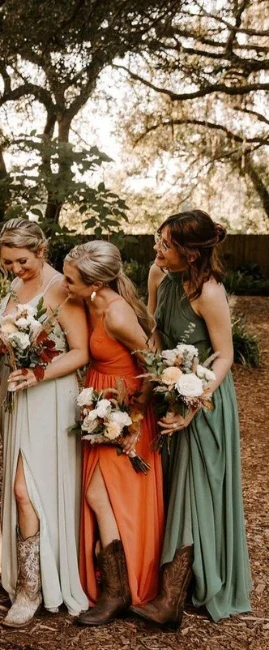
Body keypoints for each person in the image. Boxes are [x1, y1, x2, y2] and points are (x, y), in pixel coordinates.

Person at [130, 210, 252, 627]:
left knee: (192, 493)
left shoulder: (210, 292)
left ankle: (171, 600)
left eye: (166, 244)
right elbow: (155, 329)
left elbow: (225, 356)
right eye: (158, 240)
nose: (157, 249)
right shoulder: (158, 276)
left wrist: (191, 402)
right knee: (172, 488)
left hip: (205, 402)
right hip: (169, 390)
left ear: (191, 252)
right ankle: (172, 585)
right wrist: (156, 375)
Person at [62, 240, 164, 626]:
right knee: (99, 496)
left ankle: (118, 591)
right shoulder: (86, 301)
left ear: (93, 282)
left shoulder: (118, 314)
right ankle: (113, 586)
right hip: (98, 405)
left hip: (122, 409)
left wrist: (134, 417)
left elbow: (152, 361)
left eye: (71, 279)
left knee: (100, 495)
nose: (65, 285)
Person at [0, 219, 89, 627]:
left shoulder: (61, 289)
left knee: (24, 489)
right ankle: (26, 578)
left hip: (50, 396)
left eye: (21, 261)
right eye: (7, 263)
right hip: (18, 396)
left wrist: (40, 373)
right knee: (23, 489)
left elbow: (81, 351)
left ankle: (31, 590)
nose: (15, 270)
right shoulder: (16, 287)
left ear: (41, 251)